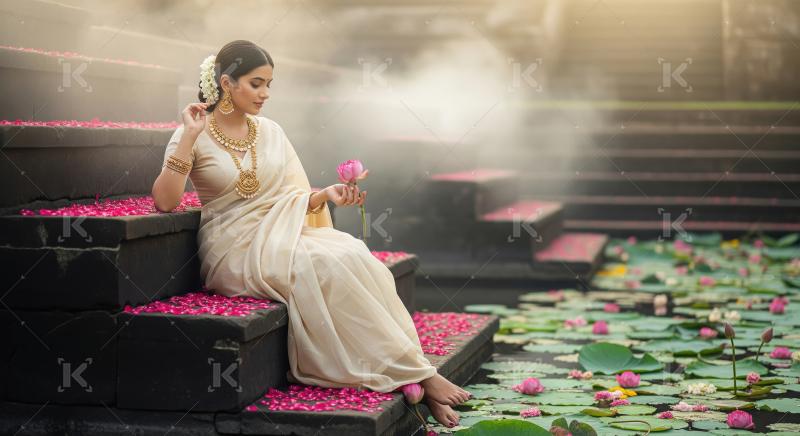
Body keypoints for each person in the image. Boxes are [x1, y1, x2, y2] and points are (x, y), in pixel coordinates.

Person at [151, 40, 468, 427]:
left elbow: (292, 194)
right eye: (256, 83)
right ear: (226, 83)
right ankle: (420, 377)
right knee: (323, 264)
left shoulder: (269, 131)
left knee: (352, 255)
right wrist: (187, 136)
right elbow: (165, 202)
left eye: (269, 83)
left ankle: (411, 372)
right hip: (233, 247)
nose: (265, 93)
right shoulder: (194, 132)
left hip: (281, 230)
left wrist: (325, 196)